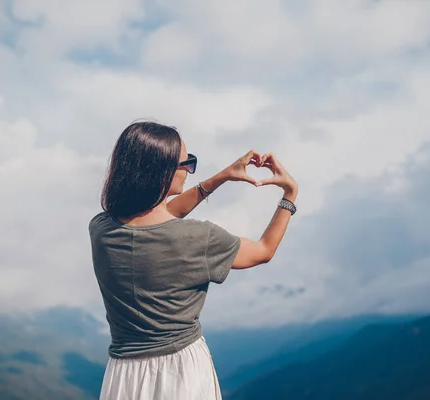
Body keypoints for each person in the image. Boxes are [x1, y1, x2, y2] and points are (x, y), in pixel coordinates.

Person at [88, 121, 298, 400]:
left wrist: (220, 178)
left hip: (123, 375)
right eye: (186, 163)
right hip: (180, 372)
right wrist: (289, 195)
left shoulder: (101, 229)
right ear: (161, 171)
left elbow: (156, 220)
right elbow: (263, 250)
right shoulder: (200, 238)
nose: (189, 169)